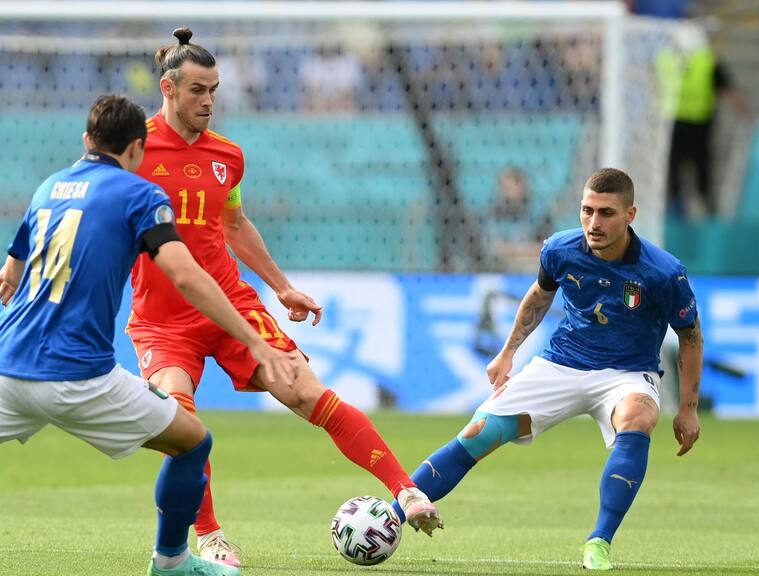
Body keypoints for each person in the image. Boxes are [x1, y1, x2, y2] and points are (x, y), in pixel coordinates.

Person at [127, 28, 443, 567]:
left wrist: (281, 286)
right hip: (162, 322)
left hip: (231, 307)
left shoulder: (228, 155)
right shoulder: (133, 148)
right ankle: (209, 536)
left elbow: (233, 222)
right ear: (168, 88)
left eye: (215, 90)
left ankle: (406, 489)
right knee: (182, 425)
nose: (208, 101)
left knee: (305, 391)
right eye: (198, 90)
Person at [0, 95, 299, 576]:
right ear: (138, 149)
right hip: (79, 377)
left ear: (86, 140)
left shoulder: (50, 187)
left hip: (8, 365)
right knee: (192, 443)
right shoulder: (139, 194)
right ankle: (172, 562)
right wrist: (254, 338)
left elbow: (10, 271)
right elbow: (188, 277)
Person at [391, 167, 703, 570]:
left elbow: (691, 338)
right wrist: (507, 353)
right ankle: (389, 518)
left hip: (626, 374)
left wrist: (689, 407)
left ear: (631, 215)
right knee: (478, 433)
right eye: (587, 210)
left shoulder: (663, 272)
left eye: (606, 213)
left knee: (639, 417)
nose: (594, 223)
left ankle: (599, 542)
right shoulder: (560, 249)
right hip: (562, 363)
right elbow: (538, 297)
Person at [657, 23, 750, 218]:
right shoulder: (708, 61)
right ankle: (705, 210)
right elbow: (728, 89)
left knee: (674, 169)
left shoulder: (665, 59)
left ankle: (676, 210)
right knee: (701, 167)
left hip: (671, 123)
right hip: (699, 125)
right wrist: (744, 113)